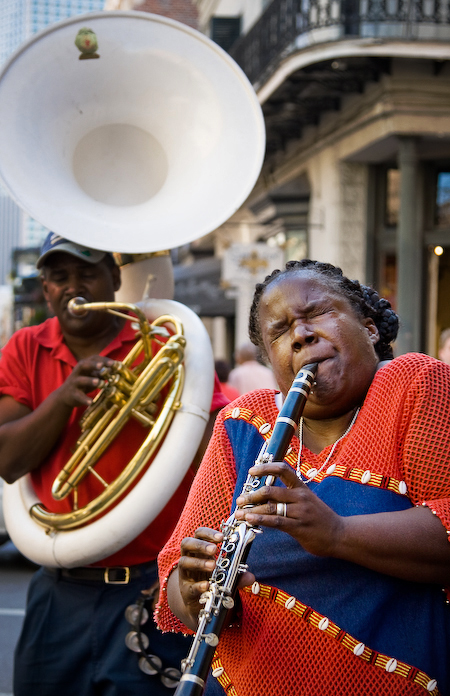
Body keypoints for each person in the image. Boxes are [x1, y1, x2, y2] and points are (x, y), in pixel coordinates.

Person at [156, 259, 450, 696]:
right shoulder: (244, 422)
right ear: (271, 362)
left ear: (369, 328)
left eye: (317, 314)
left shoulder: (414, 382)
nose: (301, 334)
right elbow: (176, 584)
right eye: (280, 332)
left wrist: (337, 533)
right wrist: (196, 587)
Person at [0, 232, 229, 696]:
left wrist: (170, 401)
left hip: (148, 584)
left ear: (113, 278)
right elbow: (7, 460)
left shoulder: (166, 341)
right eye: (59, 276)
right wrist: (64, 399)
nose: (73, 286)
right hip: (58, 587)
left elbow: (218, 447)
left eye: (87, 272)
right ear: (45, 288)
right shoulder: (26, 346)